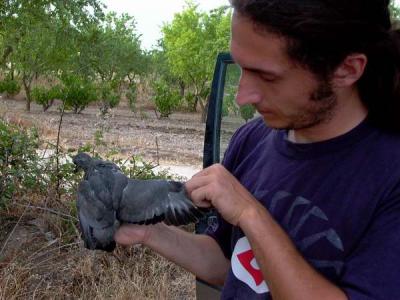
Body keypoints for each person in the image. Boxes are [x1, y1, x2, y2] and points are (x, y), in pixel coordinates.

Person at [115, 0, 400, 299]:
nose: (241, 96)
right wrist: (149, 231)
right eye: (240, 68)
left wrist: (251, 214)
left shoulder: (389, 173)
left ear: (346, 69)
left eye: (267, 76)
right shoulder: (252, 139)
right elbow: (230, 267)